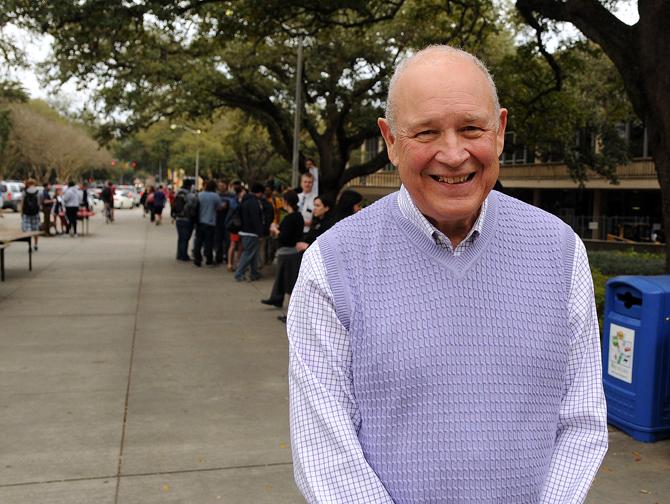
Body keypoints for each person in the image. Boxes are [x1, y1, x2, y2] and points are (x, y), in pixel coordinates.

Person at [287, 45, 608, 503]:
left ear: (499, 131)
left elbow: (581, 420)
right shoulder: (333, 264)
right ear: (391, 141)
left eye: (472, 129)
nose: (454, 154)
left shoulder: (560, 251)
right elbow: (324, 451)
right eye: (426, 132)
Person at [260, 190, 304, 308]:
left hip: (288, 251)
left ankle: (280, 299)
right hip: (292, 251)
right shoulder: (298, 216)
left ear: (286, 202)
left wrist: (275, 230)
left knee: (286, 278)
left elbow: (284, 237)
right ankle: (276, 298)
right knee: (282, 277)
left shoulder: (290, 218)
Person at [234, 182, 264, 282]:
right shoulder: (254, 203)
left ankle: (254, 273)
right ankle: (239, 273)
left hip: (244, 231)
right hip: (252, 232)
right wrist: (260, 233)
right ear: (259, 193)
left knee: (252, 253)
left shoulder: (245, 200)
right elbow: (256, 219)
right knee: (248, 253)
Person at [192, 180, 221, 267]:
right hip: (210, 222)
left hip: (200, 221)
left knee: (198, 241)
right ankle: (209, 260)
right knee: (209, 242)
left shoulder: (200, 195)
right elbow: (219, 207)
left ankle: (197, 259)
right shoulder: (215, 196)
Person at [173, 180, 198, 261]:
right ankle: (184, 256)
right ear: (190, 186)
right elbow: (194, 205)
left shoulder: (177, 193)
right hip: (187, 219)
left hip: (178, 218)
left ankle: (179, 254)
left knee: (180, 238)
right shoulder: (190, 195)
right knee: (185, 238)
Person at [21, 179, 42, 250]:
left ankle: (29, 245)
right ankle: (36, 244)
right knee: (35, 229)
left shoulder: (24, 192)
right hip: (35, 214)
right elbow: (39, 204)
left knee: (28, 230)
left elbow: (22, 204)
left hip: (26, 214)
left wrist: (21, 213)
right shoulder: (38, 192)